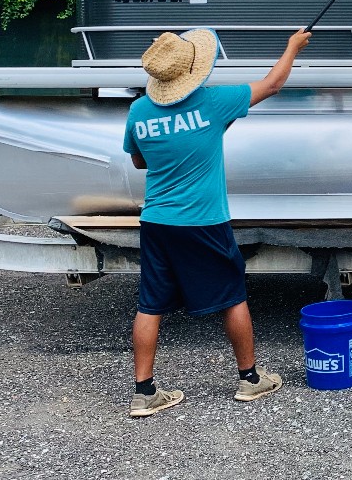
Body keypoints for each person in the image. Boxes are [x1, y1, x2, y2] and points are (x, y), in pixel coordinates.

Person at [124, 26, 312, 418]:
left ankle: (144, 393)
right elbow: (273, 84)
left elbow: (140, 160)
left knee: (151, 303)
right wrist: (293, 45)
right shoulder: (213, 102)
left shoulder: (139, 110)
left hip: (157, 220)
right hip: (203, 221)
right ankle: (249, 379)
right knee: (231, 295)